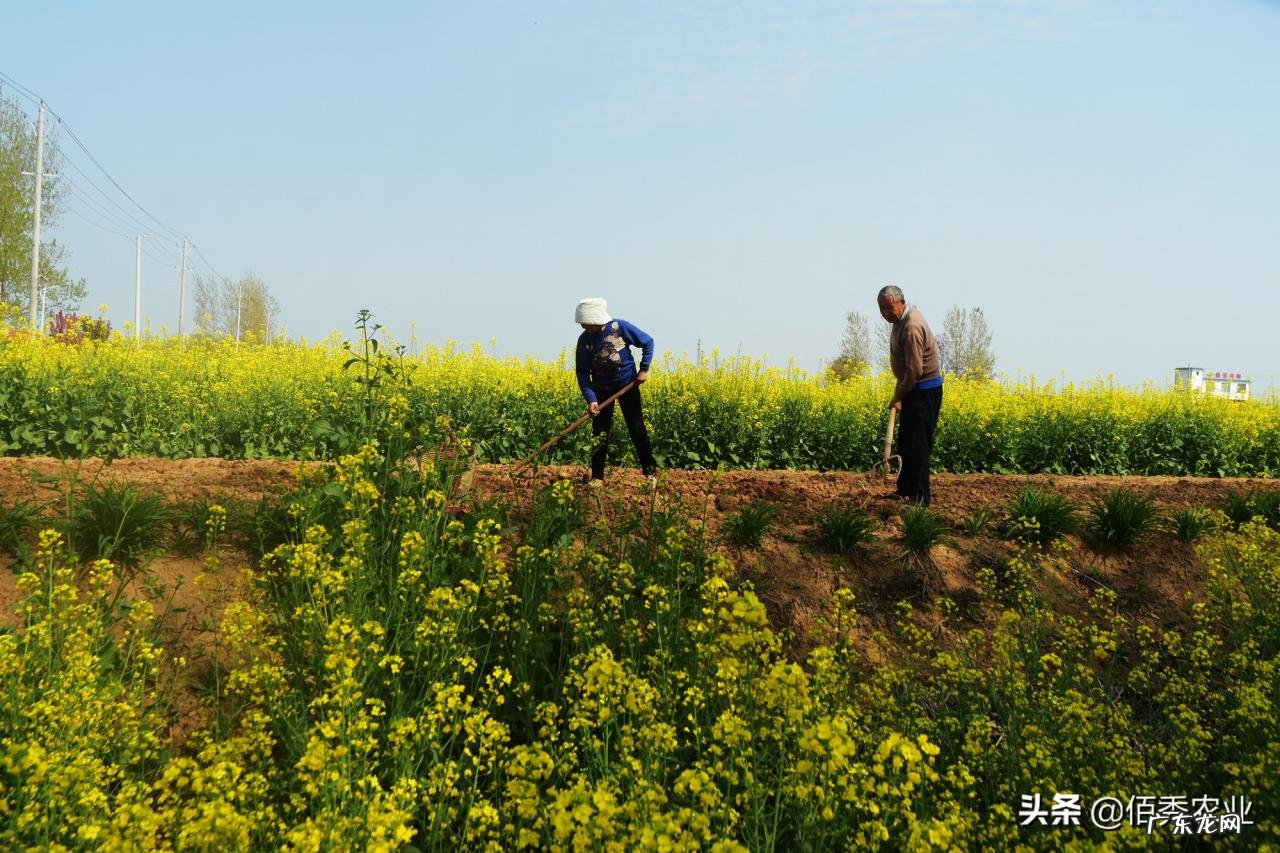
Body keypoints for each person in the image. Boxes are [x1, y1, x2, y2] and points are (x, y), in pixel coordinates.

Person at [574, 297, 658, 484]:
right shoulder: (584, 340)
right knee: (600, 433)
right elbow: (582, 372)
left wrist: (644, 369)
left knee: (637, 428)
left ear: (596, 320)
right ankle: (597, 477)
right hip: (601, 390)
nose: (583, 327)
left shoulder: (619, 328)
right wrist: (591, 399)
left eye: (585, 323)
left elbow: (648, 342)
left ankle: (650, 473)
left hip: (627, 385)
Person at [877, 285, 943, 506]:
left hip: (923, 391)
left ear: (901, 303)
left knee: (918, 446)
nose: (886, 312)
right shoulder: (899, 321)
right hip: (913, 389)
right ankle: (905, 490)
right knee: (906, 443)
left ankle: (920, 497)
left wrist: (898, 396)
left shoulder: (911, 326)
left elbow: (915, 370)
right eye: (881, 309)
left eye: (889, 307)